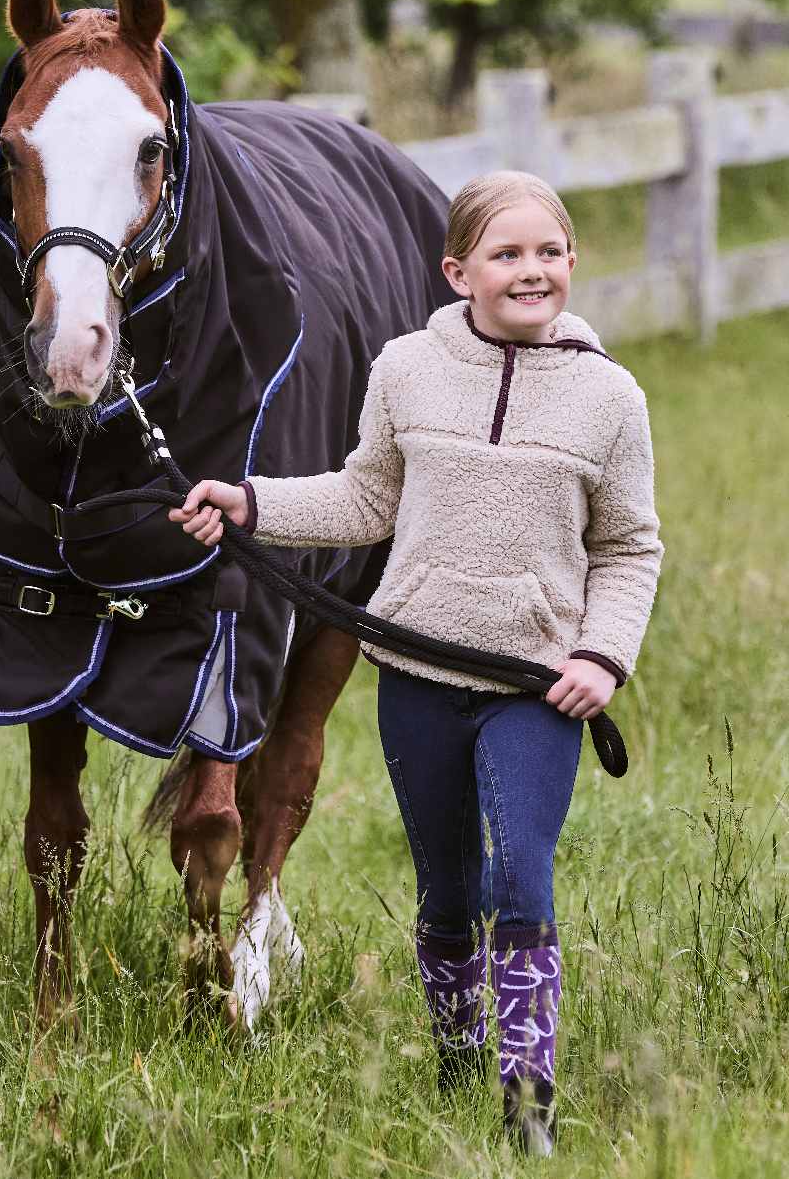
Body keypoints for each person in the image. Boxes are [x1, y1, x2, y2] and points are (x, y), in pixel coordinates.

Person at [168, 170, 663, 1154]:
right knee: (445, 890)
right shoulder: (405, 370)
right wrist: (251, 503)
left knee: (519, 877)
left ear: (572, 262)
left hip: (535, 686)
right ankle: (455, 1051)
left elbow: (628, 546)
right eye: (507, 253)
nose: (533, 269)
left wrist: (602, 656)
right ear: (457, 270)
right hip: (419, 678)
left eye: (550, 251)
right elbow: (364, 501)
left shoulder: (611, 397)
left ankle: (528, 1105)